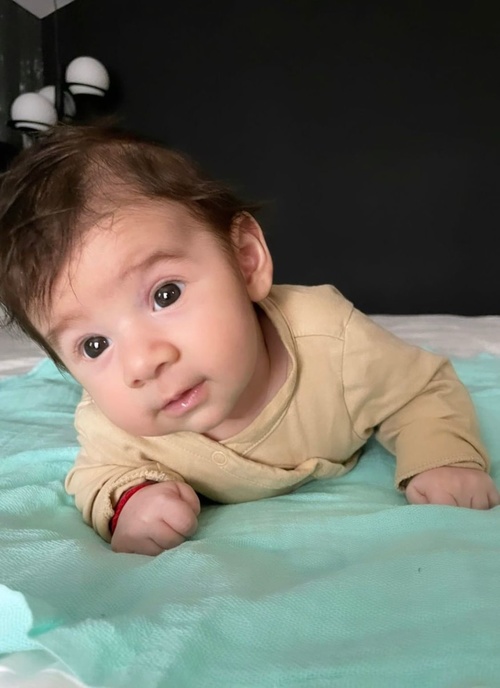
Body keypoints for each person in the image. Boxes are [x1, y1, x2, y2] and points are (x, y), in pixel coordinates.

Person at [0, 125, 498, 556]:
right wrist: (133, 499)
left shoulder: (333, 341)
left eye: (166, 294)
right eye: (93, 345)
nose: (143, 362)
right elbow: (98, 475)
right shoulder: (115, 423)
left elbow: (420, 388)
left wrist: (444, 457)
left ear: (244, 260)